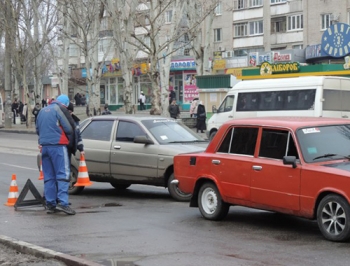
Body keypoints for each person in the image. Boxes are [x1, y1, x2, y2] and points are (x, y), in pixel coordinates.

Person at [36, 94, 76, 215]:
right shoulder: (60, 109)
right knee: (62, 174)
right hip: (58, 146)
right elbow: (69, 128)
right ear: (65, 104)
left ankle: (50, 204)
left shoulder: (42, 111)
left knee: (49, 176)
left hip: (45, 147)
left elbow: (37, 129)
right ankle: (63, 203)